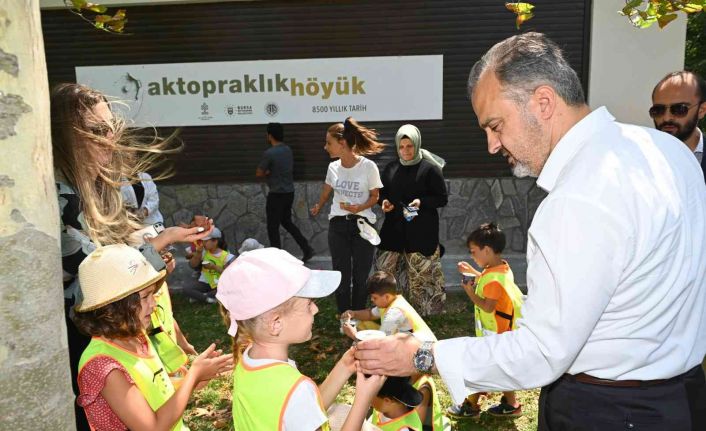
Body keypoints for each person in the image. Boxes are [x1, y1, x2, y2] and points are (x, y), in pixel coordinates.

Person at [354, 32, 706, 430]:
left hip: (609, 409)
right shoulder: (671, 152)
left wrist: (422, 355)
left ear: (543, 102)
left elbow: (541, 352)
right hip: (684, 397)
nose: (491, 145)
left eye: (496, 125)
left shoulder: (578, 200)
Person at [52, 83, 214, 430]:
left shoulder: (101, 185)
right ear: (67, 136)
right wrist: (152, 253)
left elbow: (117, 252)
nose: (110, 138)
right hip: (86, 341)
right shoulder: (60, 196)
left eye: (112, 127)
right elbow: (93, 282)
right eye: (96, 130)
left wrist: (155, 252)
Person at [216, 247, 386, 430]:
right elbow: (299, 403)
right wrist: (364, 397)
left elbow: (302, 412)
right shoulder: (295, 388)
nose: (316, 309)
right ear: (276, 323)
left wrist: (345, 365)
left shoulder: (249, 360)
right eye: (308, 304)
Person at [73, 244, 233, 431]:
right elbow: (152, 427)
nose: (154, 303)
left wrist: (194, 381)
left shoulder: (136, 335)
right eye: (145, 297)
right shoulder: (102, 365)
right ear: (114, 307)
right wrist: (194, 376)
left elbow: (154, 392)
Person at [447, 223, 523, 419]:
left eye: (474, 252)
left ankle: (469, 406)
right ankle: (511, 404)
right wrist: (474, 271)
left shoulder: (494, 278)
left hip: (494, 334)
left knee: (479, 367)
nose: (472, 256)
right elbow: (489, 283)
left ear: (487, 250)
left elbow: (488, 306)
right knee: (501, 369)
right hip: (503, 332)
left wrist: (470, 291)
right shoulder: (500, 268)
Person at [310, 117, 385, 313]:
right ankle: (344, 316)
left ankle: (358, 314)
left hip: (363, 225)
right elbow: (327, 189)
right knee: (341, 274)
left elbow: (375, 196)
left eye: (329, 142)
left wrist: (359, 208)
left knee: (360, 276)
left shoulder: (368, 167)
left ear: (342, 143)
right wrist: (319, 205)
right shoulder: (332, 167)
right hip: (338, 226)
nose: (325, 147)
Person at [377, 124, 448, 316]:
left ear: (416, 145)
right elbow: (382, 193)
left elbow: (442, 198)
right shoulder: (391, 168)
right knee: (386, 274)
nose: (406, 151)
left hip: (421, 233)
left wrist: (421, 201)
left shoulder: (430, 169)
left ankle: (426, 317)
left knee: (422, 278)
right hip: (393, 231)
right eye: (402, 147)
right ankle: (393, 313)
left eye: (409, 146)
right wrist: (383, 202)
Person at [257, 122, 314, 261]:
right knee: (287, 222)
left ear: (269, 136)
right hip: (289, 193)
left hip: (276, 194)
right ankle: (306, 248)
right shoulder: (288, 150)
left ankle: (278, 259)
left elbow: (259, 173)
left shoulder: (269, 153)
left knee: (272, 227)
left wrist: (268, 172)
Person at [341, 271, 436, 342]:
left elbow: (380, 344)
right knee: (359, 322)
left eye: (374, 297)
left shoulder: (394, 313)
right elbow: (370, 314)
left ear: (386, 296)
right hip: (406, 342)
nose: (372, 300)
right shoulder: (391, 301)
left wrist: (353, 335)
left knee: (367, 340)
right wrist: (353, 313)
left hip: (420, 351)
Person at [650, 71, 706, 181]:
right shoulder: (640, 155)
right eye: (658, 110)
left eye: (679, 109)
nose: (666, 118)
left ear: (701, 110)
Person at [185, 227, 234, 303]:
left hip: (218, 284)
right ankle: (208, 298)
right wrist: (198, 253)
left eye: (206, 241)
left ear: (215, 241)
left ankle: (201, 297)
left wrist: (213, 267)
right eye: (202, 241)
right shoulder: (203, 252)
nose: (203, 243)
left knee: (229, 289)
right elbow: (193, 265)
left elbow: (228, 274)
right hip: (204, 283)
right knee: (187, 288)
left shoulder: (226, 255)